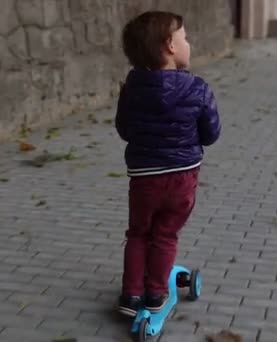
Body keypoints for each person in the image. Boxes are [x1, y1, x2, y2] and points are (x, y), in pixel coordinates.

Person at [114, 11, 221, 317]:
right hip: (182, 177)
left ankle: (130, 295)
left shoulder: (131, 88)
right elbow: (211, 134)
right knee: (164, 235)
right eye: (184, 37)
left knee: (138, 233)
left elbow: (124, 130)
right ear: (169, 46)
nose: (188, 43)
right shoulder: (197, 89)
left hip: (144, 177)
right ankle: (154, 294)